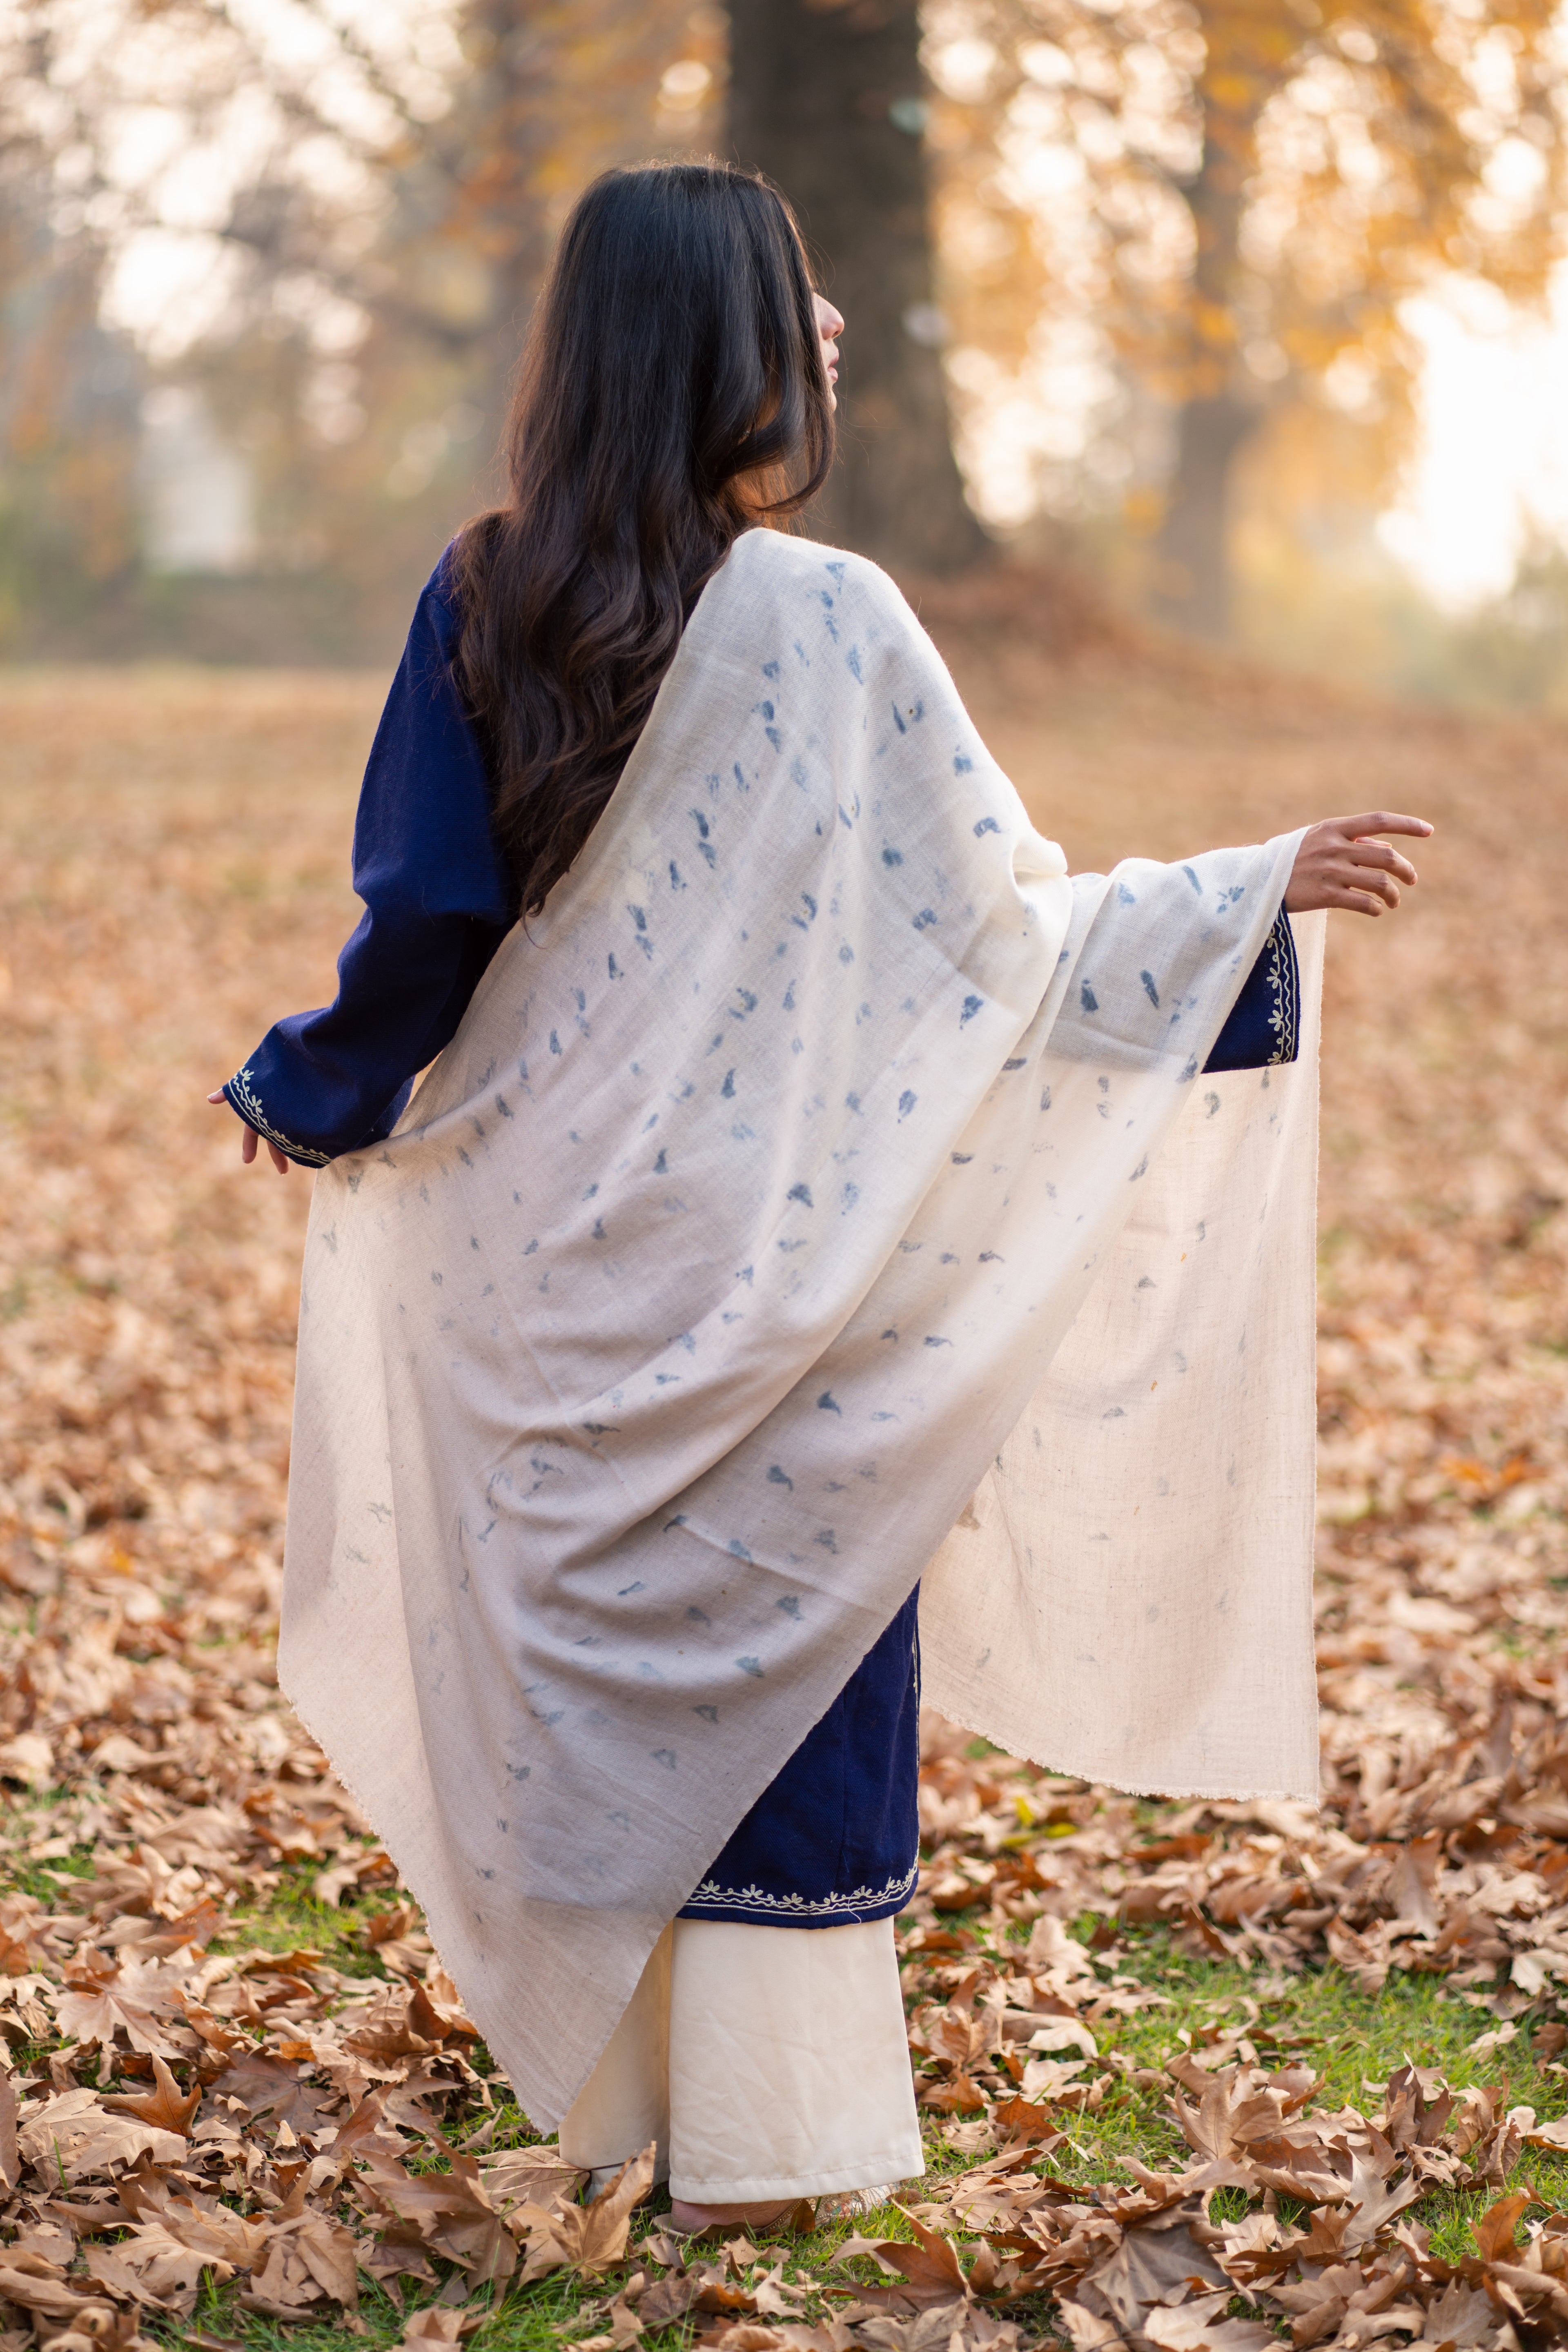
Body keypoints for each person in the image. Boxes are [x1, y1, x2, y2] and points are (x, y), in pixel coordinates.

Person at [211, 160, 1430, 2236]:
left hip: (561, 1257)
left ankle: (633, 2109)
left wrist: (313, 1090)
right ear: (715, 334)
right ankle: (768, 2143)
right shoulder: (837, 616)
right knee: (784, 1630)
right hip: (793, 1253)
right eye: (804, 291)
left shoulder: (485, 590)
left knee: (597, 1652)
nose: (840, 328)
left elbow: (421, 919)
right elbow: (1004, 934)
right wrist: (1227, 905)